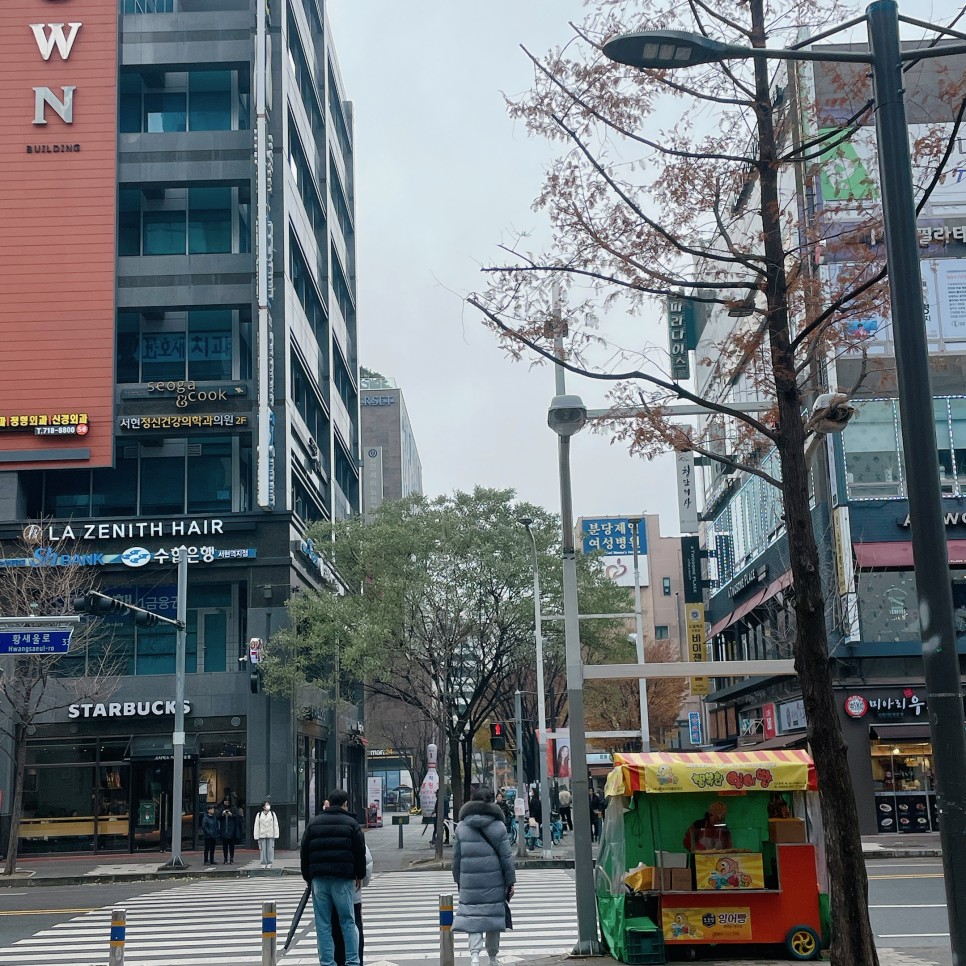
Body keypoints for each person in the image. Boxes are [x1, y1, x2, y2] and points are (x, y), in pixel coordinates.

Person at [300, 788, 367, 966]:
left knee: (323, 924)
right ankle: (352, 961)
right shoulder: (351, 824)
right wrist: (359, 875)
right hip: (343, 879)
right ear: (345, 804)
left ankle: (327, 962)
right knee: (348, 921)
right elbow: (359, 852)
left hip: (319, 880)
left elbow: (304, 852)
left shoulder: (313, 823)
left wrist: (308, 877)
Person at [452, 788, 516, 966]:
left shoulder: (462, 828)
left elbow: (456, 859)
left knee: (473, 919)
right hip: (494, 882)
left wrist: (459, 880)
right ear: (490, 802)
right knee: (493, 918)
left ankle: (474, 957)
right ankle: (493, 958)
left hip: (469, 882)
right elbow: (506, 858)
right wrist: (510, 882)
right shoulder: (499, 827)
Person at [332, 817, 373, 966]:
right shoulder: (354, 836)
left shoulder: (327, 837)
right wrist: (361, 880)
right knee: (353, 928)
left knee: (334, 931)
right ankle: (355, 961)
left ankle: (337, 961)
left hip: (331, 895)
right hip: (353, 894)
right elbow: (367, 864)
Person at [254, 798, 280, 868]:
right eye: (266, 805)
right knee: (262, 850)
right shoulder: (259, 814)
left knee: (270, 849)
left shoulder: (272, 814)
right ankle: (263, 863)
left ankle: (269, 862)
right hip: (262, 834)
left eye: (268, 804)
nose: (268, 806)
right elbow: (256, 825)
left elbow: (275, 824)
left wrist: (276, 834)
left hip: (270, 834)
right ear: (263, 807)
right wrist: (256, 836)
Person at [219, 796, 242, 864]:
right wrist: (222, 814)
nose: (226, 803)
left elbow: (237, 817)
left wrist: (231, 814)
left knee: (231, 846)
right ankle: (225, 858)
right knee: (224, 846)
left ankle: (231, 858)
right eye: (225, 801)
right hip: (224, 829)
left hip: (232, 829)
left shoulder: (234, 808)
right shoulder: (221, 808)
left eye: (227, 801)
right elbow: (218, 817)